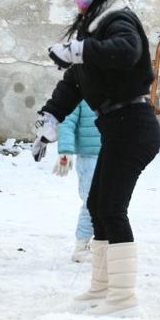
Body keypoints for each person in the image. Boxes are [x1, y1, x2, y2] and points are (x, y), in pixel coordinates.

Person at [31, 0, 160, 316]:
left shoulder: (118, 20)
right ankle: (102, 289)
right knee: (98, 207)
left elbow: (127, 50)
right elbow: (75, 82)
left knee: (113, 209)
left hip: (134, 127)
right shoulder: (96, 25)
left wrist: (80, 50)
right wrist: (51, 118)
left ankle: (123, 299)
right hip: (118, 127)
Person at [54, 99, 102, 263]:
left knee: (110, 203)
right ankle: (81, 247)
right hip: (89, 158)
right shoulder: (81, 93)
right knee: (92, 202)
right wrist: (66, 151)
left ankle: (101, 243)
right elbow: (67, 123)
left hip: (111, 154)